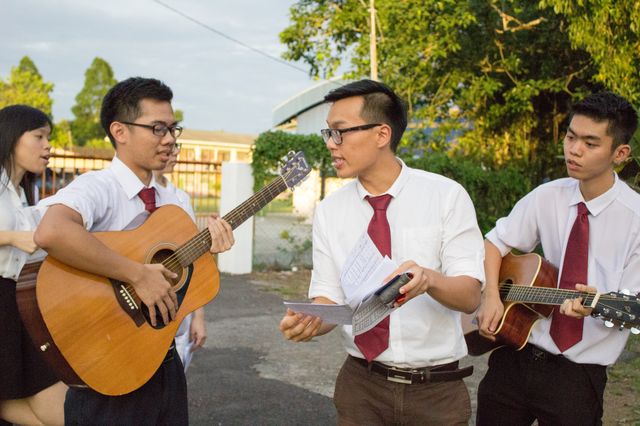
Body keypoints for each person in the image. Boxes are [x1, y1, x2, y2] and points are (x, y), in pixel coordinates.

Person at [278, 79, 485, 425]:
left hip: (435, 392)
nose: (330, 144)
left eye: (339, 132)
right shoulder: (330, 211)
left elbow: (470, 297)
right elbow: (328, 298)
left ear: (381, 134)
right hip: (361, 387)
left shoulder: (446, 196)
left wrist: (429, 280)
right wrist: (309, 321)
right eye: (328, 133)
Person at [34, 77, 235, 425]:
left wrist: (210, 248)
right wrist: (137, 274)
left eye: (173, 128)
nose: (169, 139)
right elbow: (52, 231)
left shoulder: (173, 200)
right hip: (107, 363)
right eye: (158, 128)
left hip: (164, 360)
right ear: (120, 131)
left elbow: (178, 274)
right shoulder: (97, 187)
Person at [475, 91, 640, 425]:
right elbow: (494, 242)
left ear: (620, 153)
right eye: (570, 137)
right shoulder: (547, 196)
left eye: (590, 143)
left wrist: (596, 304)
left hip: (577, 377)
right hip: (515, 353)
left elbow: (633, 308)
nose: (574, 150)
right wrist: (492, 295)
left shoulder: (635, 219)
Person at [0, 105, 66, 426]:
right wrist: (12, 237)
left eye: (48, 138)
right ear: (12, 137)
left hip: (20, 302)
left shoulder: (27, 192)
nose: (47, 146)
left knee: (58, 412)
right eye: (39, 137)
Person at [153, 145, 206, 371]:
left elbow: (193, 260)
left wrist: (198, 316)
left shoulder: (181, 198)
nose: (175, 152)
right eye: (170, 146)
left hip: (180, 313)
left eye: (176, 146)